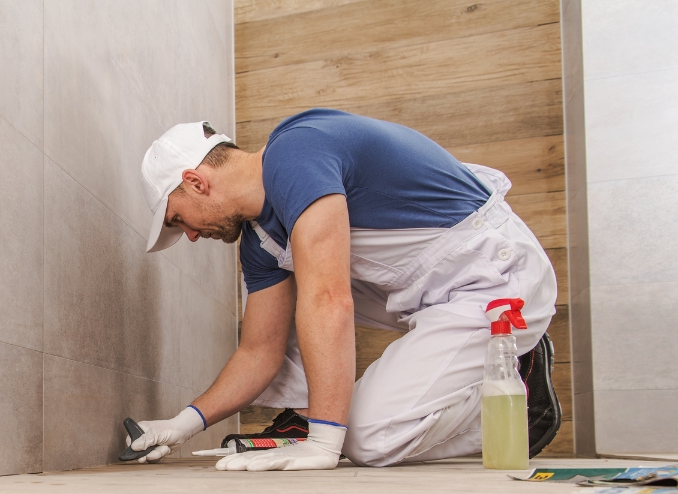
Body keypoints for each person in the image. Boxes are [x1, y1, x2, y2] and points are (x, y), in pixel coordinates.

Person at [127, 109, 561, 470]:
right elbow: (260, 351)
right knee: (302, 291)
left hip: (494, 277)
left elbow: (330, 299)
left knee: (367, 439)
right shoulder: (261, 241)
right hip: (430, 291)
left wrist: (325, 443)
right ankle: (314, 418)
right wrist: (182, 423)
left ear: (197, 182)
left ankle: (518, 392)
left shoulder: (296, 152)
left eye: (177, 219)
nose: (190, 236)